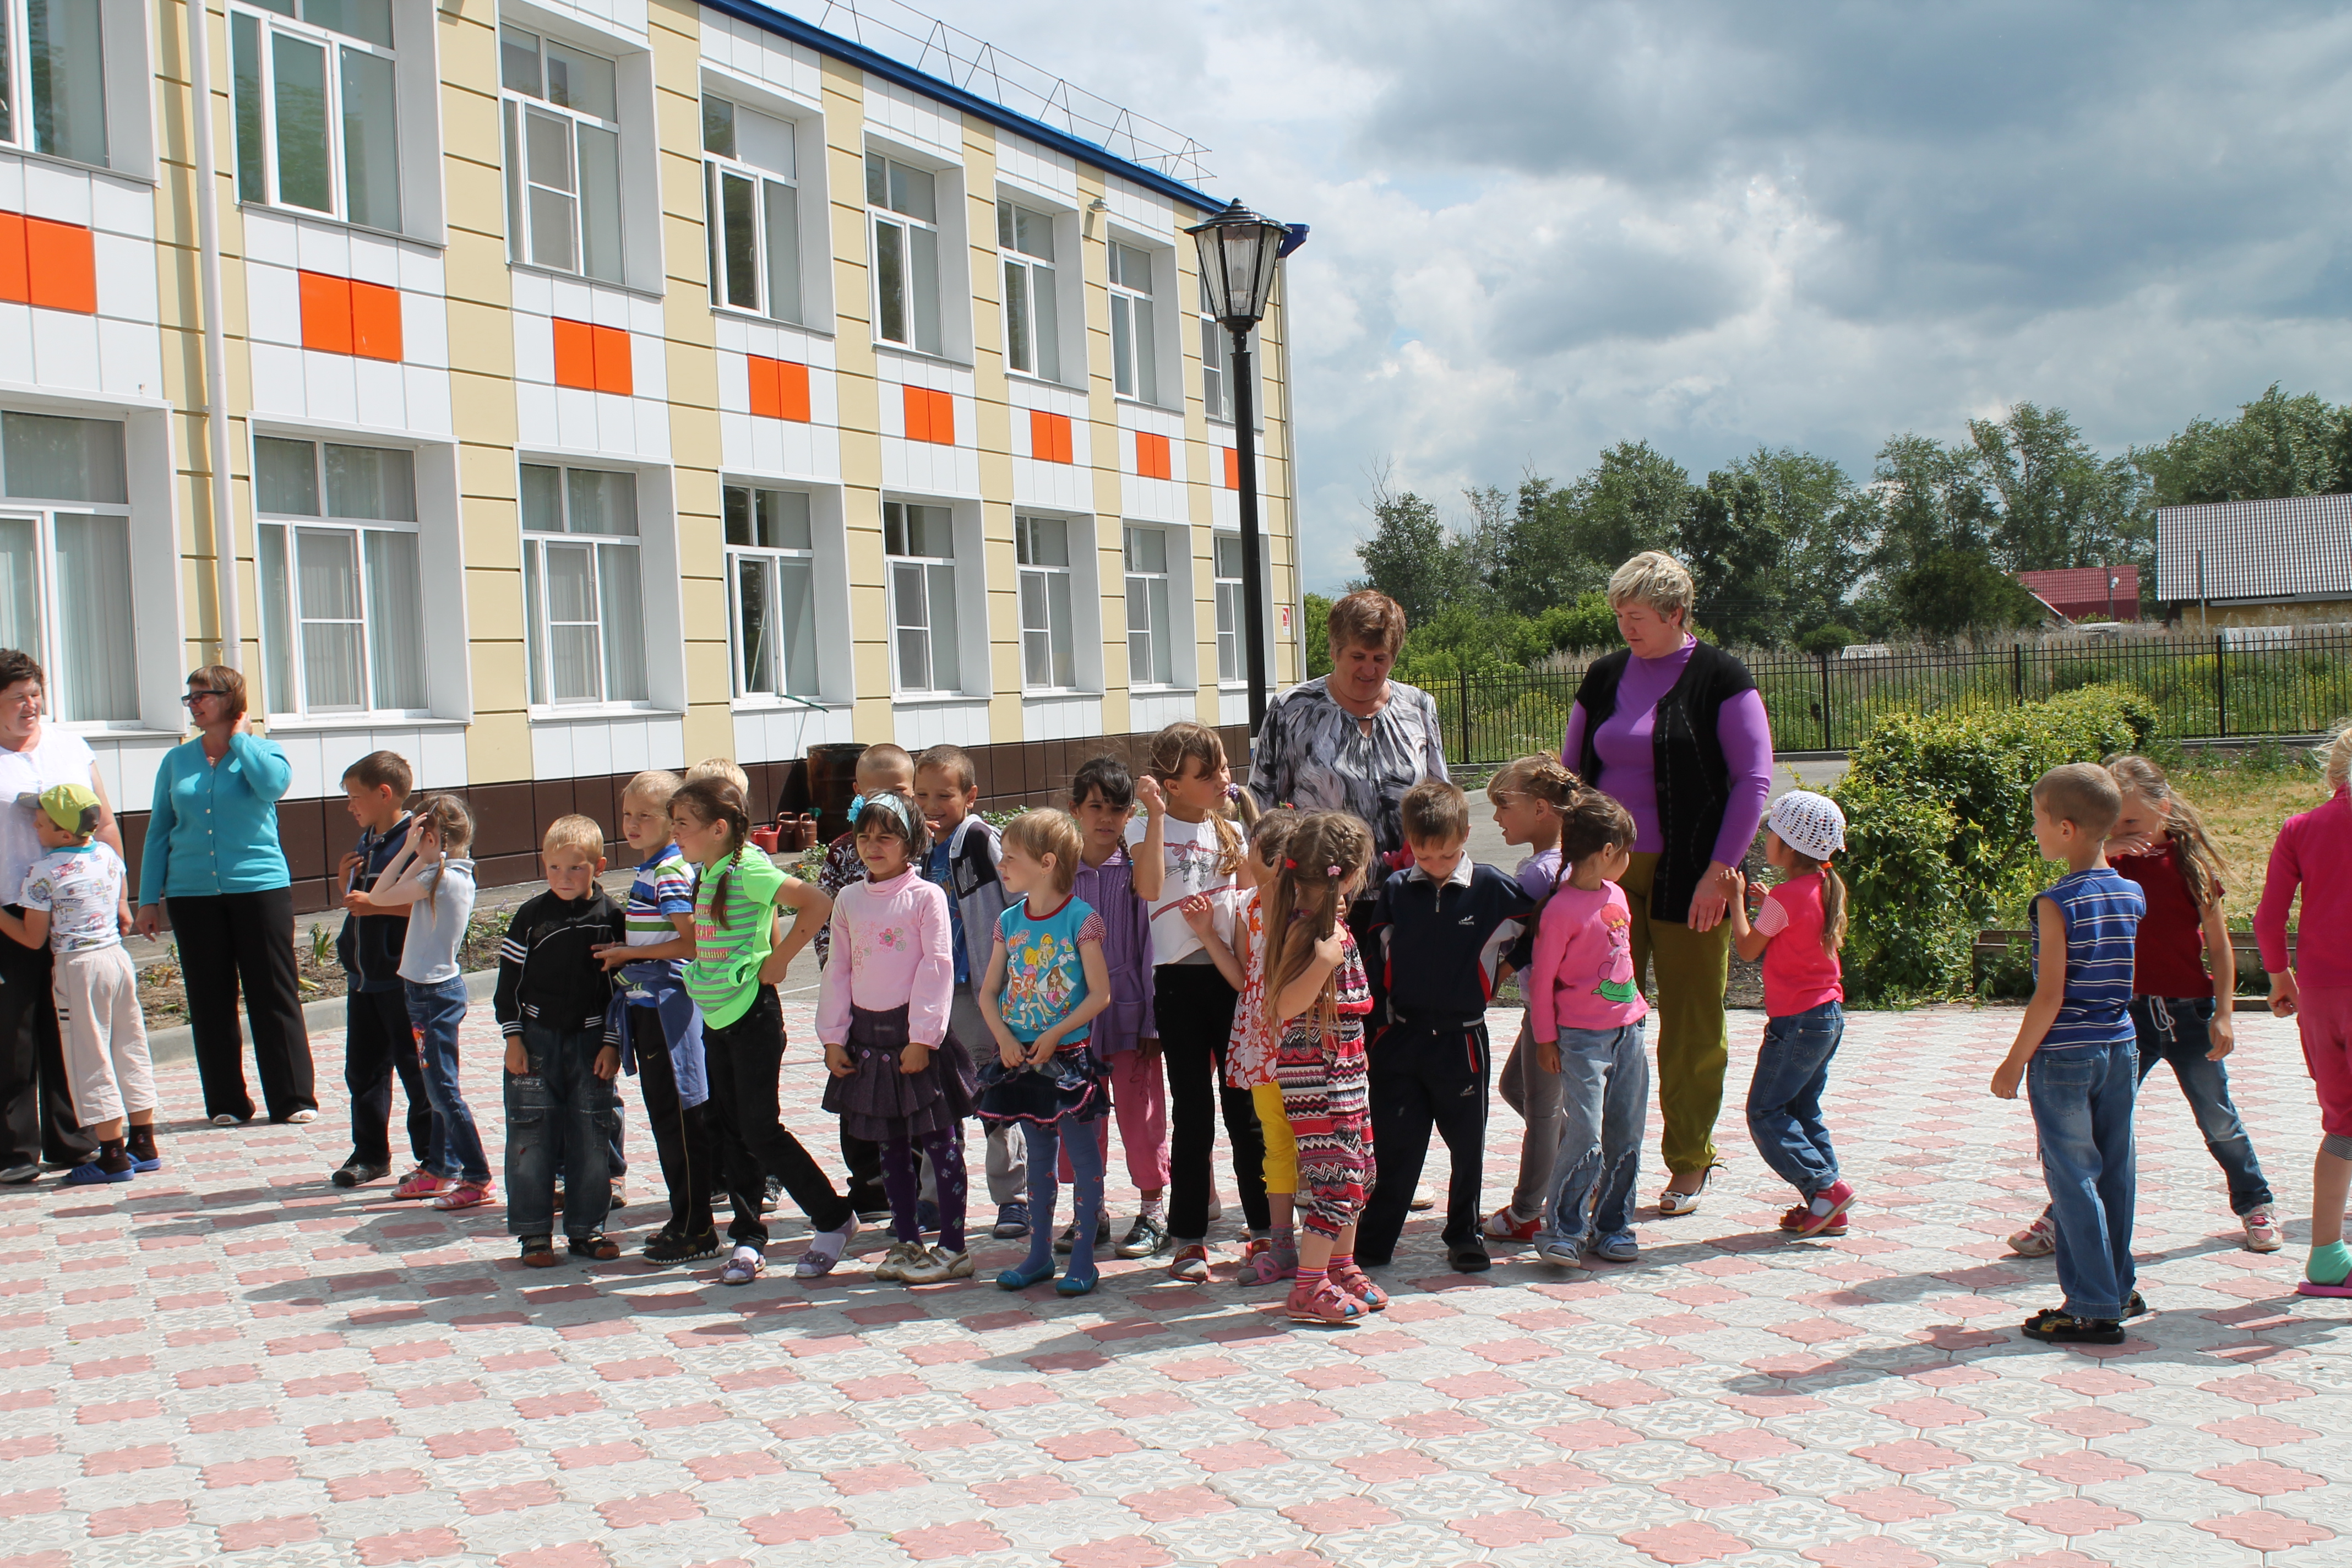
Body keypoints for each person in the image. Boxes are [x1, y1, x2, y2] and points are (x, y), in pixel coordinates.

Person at [1560, 552, 1771, 1216]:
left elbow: (1753, 780)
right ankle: (1595, 1160)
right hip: (1606, 875)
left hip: (1695, 874)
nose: (1626, 627)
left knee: (1691, 1022)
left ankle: (1688, 1160)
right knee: (1601, 1016)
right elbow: (1571, 773)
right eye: (1620, 615)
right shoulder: (1604, 676)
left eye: (1638, 616)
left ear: (1677, 614)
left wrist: (1720, 871)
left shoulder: (1721, 676)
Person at [2012, 755, 2279, 1258]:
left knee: (2218, 1117)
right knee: (2096, 1128)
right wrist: (2106, 850)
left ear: (2165, 809)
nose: (2122, 832)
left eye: (2132, 822)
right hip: (2126, 1019)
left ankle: (2255, 1204)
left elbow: (2220, 946)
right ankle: (2063, 1217)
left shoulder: (2189, 866)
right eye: (2114, 823)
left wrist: (2225, 1012)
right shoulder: (2108, 867)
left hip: (2191, 1014)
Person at [671, 776, 852, 1284]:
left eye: (682, 824)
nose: (674, 833)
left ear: (718, 828)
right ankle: (749, 1238)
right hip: (717, 1017)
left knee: (759, 1130)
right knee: (730, 1132)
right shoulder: (709, 870)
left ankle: (834, 1218)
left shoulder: (749, 867)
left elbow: (817, 903)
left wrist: (781, 958)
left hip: (753, 1017)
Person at [1989, 764, 2146, 1346]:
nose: (2034, 829)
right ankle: (2119, 1288)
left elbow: (2050, 995)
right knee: (2116, 1171)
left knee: (2073, 1177)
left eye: (2038, 819)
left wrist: (2014, 1061)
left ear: (2066, 829)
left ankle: (2090, 1306)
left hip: (2063, 1057)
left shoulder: (2055, 903)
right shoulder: (2131, 893)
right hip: (2120, 1045)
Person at [1356, 780, 1537, 1273]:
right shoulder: (1396, 890)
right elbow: (1376, 961)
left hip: (1463, 1041)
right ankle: (1375, 1240)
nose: (1435, 864)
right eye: (1424, 855)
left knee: (1467, 1147)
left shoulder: (1492, 887)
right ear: (1409, 843)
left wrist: (1501, 971)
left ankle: (1463, 1234)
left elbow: (1538, 924)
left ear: (1466, 836)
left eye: (1447, 854)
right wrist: (1375, 1033)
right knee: (1395, 1145)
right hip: (1401, 1040)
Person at [133, 666, 317, 1127]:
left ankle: (293, 1098)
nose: (193, 704)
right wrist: (148, 899)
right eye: (189, 697)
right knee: (209, 998)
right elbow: (159, 831)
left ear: (230, 699)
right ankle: (226, 1103)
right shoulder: (176, 761)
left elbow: (273, 787)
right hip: (191, 894)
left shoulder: (264, 751)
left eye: (203, 695)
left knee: (272, 992)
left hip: (259, 888)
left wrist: (240, 740)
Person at [819, 792, 979, 1287]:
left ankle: (953, 1246)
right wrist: (833, 1037)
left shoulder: (926, 896)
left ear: (910, 843)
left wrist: (923, 1037)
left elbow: (938, 966)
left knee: (939, 1140)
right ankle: (906, 1240)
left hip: (916, 1039)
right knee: (889, 1146)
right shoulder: (848, 900)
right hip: (867, 1038)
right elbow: (838, 969)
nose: (873, 846)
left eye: (886, 837)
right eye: (865, 836)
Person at [1131, 720, 1266, 1282]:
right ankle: (1188, 1239)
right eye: (1206, 773)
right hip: (1178, 985)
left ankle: (1266, 1229)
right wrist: (1157, 815)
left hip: (1232, 981)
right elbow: (1147, 887)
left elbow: (1250, 901)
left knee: (1246, 1111)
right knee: (1193, 1113)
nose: (1221, 779)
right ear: (1172, 785)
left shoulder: (1230, 828)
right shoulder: (1146, 825)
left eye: (1223, 768)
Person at [0, 649, 132, 1182]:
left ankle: (72, 1141)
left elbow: (104, 822)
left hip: (78, 908)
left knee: (72, 1025)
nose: (31, 705)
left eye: (36, 694)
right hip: (10, 906)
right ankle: (15, 1152)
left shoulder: (70, 746)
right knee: (13, 1026)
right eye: (17, 698)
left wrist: (120, 896)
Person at [979, 809, 1115, 1296]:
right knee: (1038, 1157)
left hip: (1067, 1061)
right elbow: (988, 993)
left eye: (1011, 857)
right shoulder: (1008, 921)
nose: (1002, 866)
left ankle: (1083, 1259)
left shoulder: (1082, 919)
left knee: (1082, 1155)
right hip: (1021, 1060)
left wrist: (1056, 1033)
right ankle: (1037, 1255)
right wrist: (1004, 1038)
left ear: (1047, 862)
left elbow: (1100, 994)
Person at [1260, 810, 1383, 1326]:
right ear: (1348, 876)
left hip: (1345, 1073)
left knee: (1361, 1173)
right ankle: (1309, 1287)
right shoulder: (1307, 934)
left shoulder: (1332, 927)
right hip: (1317, 1080)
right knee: (1337, 1180)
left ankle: (1340, 1265)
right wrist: (1322, 962)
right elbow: (1286, 1005)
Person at [597, 770, 724, 1266]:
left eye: (646, 816)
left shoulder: (669, 870)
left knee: (681, 1119)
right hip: (650, 1007)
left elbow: (691, 942)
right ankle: (684, 1217)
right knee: (668, 1119)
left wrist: (629, 955)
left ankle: (697, 1228)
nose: (632, 824)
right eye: (627, 814)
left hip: (669, 1010)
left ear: (673, 822)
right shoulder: (652, 868)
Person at [0, 785, 154, 1184]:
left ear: (65, 834)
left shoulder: (44, 873)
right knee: (130, 1047)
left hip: (78, 967)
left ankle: (112, 1156)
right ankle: (143, 1143)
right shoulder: (107, 856)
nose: (35, 827)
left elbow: (33, 937)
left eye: (42, 823)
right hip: (117, 959)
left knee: (90, 1057)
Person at [1523, 789, 1648, 1267]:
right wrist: (1546, 1039)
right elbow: (1541, 982)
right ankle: (1562, 1231)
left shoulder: (1617, 896)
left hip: (1630, 1032)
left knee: (1626, 1133)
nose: (1630, 859)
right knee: (1586, 1134)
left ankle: (1614, 1228)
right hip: (1581, 1041)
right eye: (1627, 850)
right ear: (1609, 851)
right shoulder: (1560, 911)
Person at [351, 794, 492, 1211]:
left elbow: (379, 895)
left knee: (443, 1090)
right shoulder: (454, 872)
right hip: (430, 992)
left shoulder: (439, 878)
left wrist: (408, 851)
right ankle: (442, 1168)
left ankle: (477, 1176)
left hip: (431, 996)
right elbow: (386, 894)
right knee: (437, 1087)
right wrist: (420, 849)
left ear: (432, 838)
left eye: (419, 834)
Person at [494, 816, 624, 1266]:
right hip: (535, 1041)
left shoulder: (612, 919)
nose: (564, 878)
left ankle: (587, 1229)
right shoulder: (531, 917)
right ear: (543, 864)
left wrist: (612, 1043)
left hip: (591, 1043)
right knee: (530, 1134)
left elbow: (620, 989)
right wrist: (514, 1037)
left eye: (576, 868)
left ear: (599, 867)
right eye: (554, 868)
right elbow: (508, 984)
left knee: (591, 1134)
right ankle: (533, 1233)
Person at [1727, 791, 1856, 1238]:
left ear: (1791, 845)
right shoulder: (1823, 886)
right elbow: (1794, 924)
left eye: (1771, 833)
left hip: (1796, 1022)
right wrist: (1768, 902)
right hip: (1827, 1017)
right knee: (1804, 1110)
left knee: (1765, 1112)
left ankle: (1826, 1189)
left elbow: (1748, 948)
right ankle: (1828, 1207)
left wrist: (1736, 901)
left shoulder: (1783, 898)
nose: (1765, 839)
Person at [913, 745, 1028, 1239]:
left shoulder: (980, 840)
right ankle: (934, 1198)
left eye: (944, 795)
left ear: (971, 796)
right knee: (935, 1097)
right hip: (932, 994)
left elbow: (1020, 899)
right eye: (922, 795)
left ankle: (1013, 1199)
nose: (932, 806)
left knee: (994, 1092)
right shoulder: (918, 848)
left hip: (980, 992)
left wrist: (1012, 978)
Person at [1244, 589, 1447, 868]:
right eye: (1358, 657)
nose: (1369, 670)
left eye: (1380, 659)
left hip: (1409, 885)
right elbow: (1260, 808)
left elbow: (1442, 804)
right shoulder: (1292, 709)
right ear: (1334, 651)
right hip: (1321, 885)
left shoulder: (1418, 707)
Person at [1186, 809, 1302, 1286]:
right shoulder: (1245, 905)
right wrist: (1206, 934)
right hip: (1259, 1041)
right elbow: (1241, 977)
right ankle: (1282, 1242)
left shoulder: (1309, 910)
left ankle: (1330, 1240)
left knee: (1315, 1137)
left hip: (1302, 1041)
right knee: (1275, 1138)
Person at [2257, 722, 2352, 1297]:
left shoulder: (2301, 828)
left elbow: (2269, 918)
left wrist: (2280, 978)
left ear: (2334, 771)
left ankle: (2326, 1257)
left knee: (2342, 1125)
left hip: (2320, 997)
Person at [1065, 756, 1169, 1260]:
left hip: (1129, 1016)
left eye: (1117, 808)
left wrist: (1151, 1019)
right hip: (1074, 1021)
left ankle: (1153, 1210)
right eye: (1095, 807)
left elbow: (1150, 948)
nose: (1106, 818)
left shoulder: (1135, 873)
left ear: (1130, 814)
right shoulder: (1059, 874)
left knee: (1140, 1115)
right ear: (1075, 810)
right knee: (1079, 1114)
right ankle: (1091, 1211)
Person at [812, 743, 918, 1224]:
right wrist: (839, 981)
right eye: (876, 793)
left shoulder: (919, 845)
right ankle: (868, 1184)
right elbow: (825, 921)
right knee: (857, 1087)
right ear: (857, 793)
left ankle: (914, 1183)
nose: (889, 802)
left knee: (910, 1091)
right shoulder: (842, 852)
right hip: (859, 1001)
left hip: (908, 1001)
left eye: (900, 791)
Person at [1480, 756, 1580, 1247]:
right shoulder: (1565, 863)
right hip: (1548, 1006)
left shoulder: (1540, 874)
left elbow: (1508, 938)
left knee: (1540, 1109)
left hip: (1550, 1010)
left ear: (1541, 809)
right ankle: (1584, 1167)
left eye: (1504, 805)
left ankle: (1527, 1211)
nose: (1497, 817)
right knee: (1516, 1088)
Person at [330, 751, 430, 1189]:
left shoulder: (417, 841)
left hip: (400, 978)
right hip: (363, 977)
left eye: (355, 797)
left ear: (384, 793)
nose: (349, 806)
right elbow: (361, 906)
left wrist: (375, 905)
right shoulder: (368, 840)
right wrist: (346, 886)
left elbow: (428, 903)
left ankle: (433, 1157)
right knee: (363, 1070)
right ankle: (370, 1154)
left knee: (415, 1069)